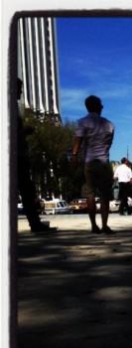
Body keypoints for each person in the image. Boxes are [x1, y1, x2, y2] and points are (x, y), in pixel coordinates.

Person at [15, 78, 56, 233]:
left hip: (19, 155)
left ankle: (35, 223)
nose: (20, 93)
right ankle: (35, 223)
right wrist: (24, 131)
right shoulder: (8, 106)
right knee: (26, 190)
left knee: (27, 190)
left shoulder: (13, 107)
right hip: (16, 156)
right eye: (19, 89)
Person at [71, 95, 115, 234]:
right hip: (103, 162)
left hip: (89, 162)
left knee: (90, 194)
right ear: (97, 106)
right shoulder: (109, 124)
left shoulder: (82, 122)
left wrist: (74, 156)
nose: (102, 107)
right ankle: (105, 225)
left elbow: (78, 141)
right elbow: (109, 144)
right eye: (101, 104)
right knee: (104, 195)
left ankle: (94, 226)